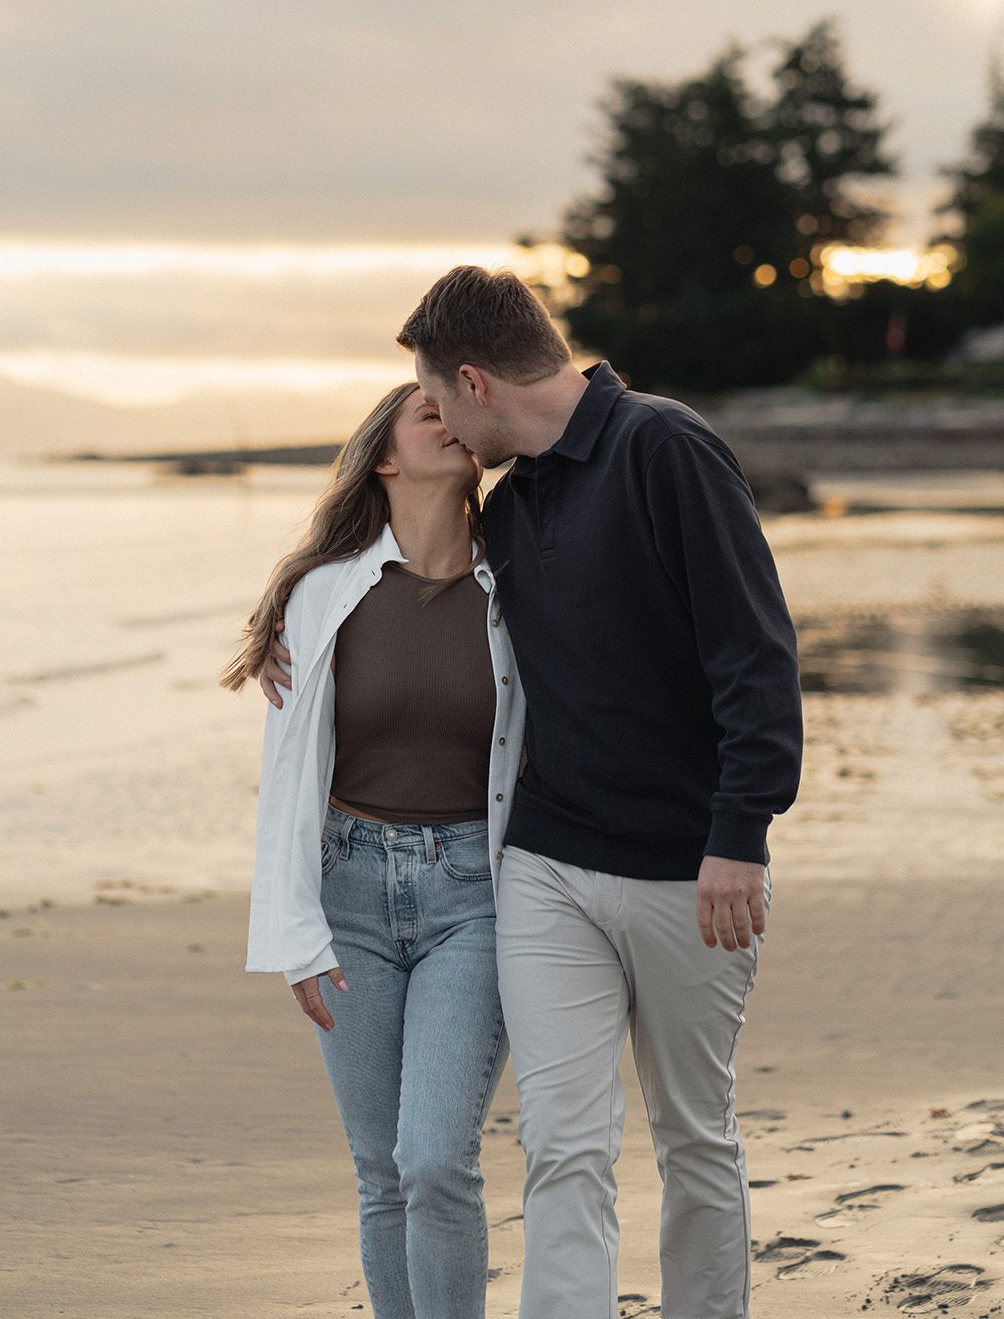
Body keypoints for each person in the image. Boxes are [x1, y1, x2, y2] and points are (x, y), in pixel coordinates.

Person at [259, 266, 803, 1319]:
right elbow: (402, 597)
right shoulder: (508, 513)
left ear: (471, 383)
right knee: (562, 1142)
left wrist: (739, 831)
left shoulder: (666, 449)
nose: (450, 432)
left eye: (439, 401)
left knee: (692, 1130)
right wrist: (293, 630)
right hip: (543, 871)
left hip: (689, 868)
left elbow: (756, 657)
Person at [225, 380, 526, 1319]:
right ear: (384, 459)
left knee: (435, 1157)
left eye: (456, 412)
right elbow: (287, 778)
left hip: (475, 892)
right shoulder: (320, 596)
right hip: (347, 891)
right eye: (426, 414)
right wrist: (294, 936)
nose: (451, 422)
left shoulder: (517, 585)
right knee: (380, 1169)